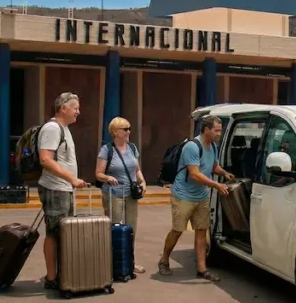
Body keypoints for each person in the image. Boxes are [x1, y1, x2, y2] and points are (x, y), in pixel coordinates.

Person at [157, 115, 234, 282]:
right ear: (206, 129)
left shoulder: (213, 146)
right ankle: (164, 260)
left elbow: (213, 166)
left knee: (201, 231)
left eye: (220, 131)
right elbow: (195, 174)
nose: (219, 134)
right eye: (216, 131)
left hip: (201, 196)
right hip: (184, 196)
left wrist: (224, 173)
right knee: (177, 230)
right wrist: (216, 185)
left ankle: (202, 269)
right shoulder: (192, 147)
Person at [38, 92, 87, 291]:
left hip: (64, 189)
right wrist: (71, 179)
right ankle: (51, 278)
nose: (78, 112)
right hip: (55, 188)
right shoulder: (52, 128)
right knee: (54, 233)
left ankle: (61, 274)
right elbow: (45, 159)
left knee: (63, 234)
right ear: (63, 108)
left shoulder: (64, 129)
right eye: (75, 108)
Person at [95, 116, 148, 274]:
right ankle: (112, 262)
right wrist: (107, 177)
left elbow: (136, 169)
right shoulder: (107, 150)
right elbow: (98, 173)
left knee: (131, 228)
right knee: (114, 227)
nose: (128, 131)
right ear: (115, 132)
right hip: (113, 194)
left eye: (129, 128)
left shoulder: (132, 148)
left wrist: (143, 181)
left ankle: (130, 262)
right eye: (124, 129)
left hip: (131, 194)